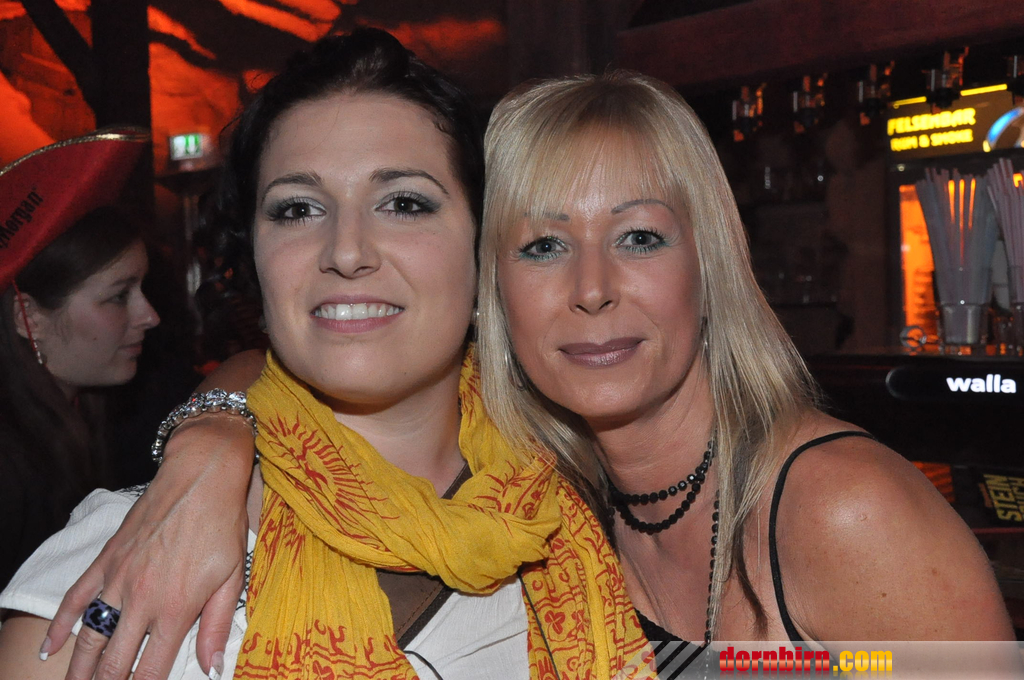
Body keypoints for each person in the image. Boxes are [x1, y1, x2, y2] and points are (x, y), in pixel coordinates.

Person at [21, 71, 1017, 677]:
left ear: (709, 262)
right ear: (490, 283)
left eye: (639, 236)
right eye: (541, 246)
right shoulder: (546, 490)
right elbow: (320, 354)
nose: (592, 289)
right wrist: (215, 431)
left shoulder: (838, 510)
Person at [0, 31, 648, 680]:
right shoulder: (134, 560)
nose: (346, 250)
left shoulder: (594, 509)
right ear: (256, 257)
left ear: (484, 249)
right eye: (298, 209)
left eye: (404, 203)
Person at [0, 129, 160, 589]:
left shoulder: (86, 417)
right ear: (28, 317)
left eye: (142, 289)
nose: (150, 316)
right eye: (118, 296)